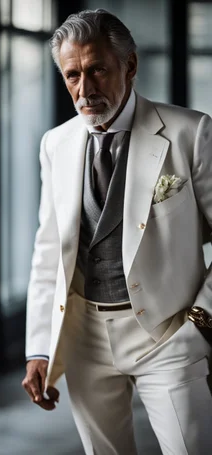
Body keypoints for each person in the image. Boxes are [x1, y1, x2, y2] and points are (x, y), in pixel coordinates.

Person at [22, 9, 212, 455]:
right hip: (85, 337)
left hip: (167, 333)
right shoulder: (56, 143)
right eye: (72, 75)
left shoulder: (191, 132)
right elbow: (49, 248)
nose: (84, 90)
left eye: (97, 70)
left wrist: (202, 321)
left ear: (129, 65)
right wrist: (39, 347)